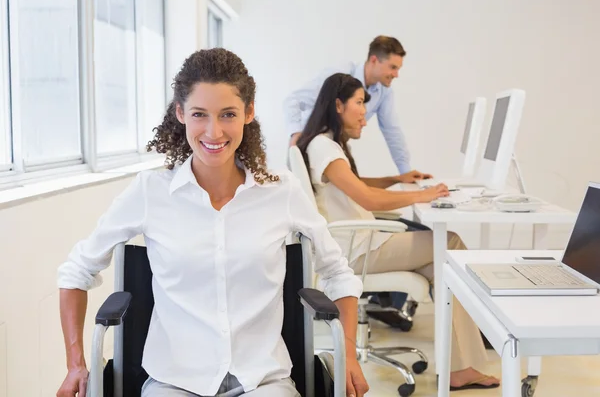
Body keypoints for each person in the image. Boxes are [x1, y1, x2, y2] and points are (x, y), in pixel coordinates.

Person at [56, 49, 369, 397]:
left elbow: (338, 274)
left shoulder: (281, 192)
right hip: (173, 382)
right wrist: (75, 364)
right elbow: (75, 272)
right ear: (180, 113)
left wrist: (349, 355)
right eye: (199, 114)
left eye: (228, 114)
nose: (214, 131)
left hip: (263, 382)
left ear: (249, 113)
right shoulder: (150, 192)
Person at [296, 73, 500, 391]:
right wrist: (423, 195)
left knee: (441, 267)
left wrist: (397, 178)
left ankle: (461, 368)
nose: (366, 111)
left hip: (361, 244)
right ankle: (473, 356)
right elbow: (366, 198)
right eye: (360, 102)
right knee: (452, 244)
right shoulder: (325, 146)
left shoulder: (326, 144)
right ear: (338, 105)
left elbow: (357, 186)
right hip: (359, 250)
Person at [284, 35, 430, 179]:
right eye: (392, 67)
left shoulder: (384, 91)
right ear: (374, 60)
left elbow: (392, 131)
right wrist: (296, 134)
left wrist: (405, 172)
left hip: (336, 148)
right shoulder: (340, 74)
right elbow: (294, 100)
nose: (396, 74)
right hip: (313, 147)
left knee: (348, 194)